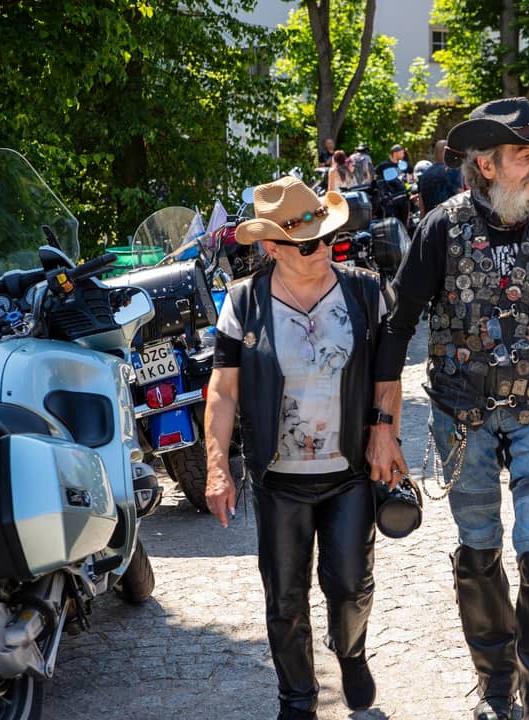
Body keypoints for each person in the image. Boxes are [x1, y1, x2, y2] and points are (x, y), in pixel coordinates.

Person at [367, 96, 529, 720]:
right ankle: (498, 689)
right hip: (461, 415)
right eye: (525, 156)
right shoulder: (441, 227)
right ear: (486, 165)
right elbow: (397, 327)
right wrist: (383, 426)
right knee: (478, 546)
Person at [204, 177, 395, 720]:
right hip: (279, 479)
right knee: (285, 598)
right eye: (309, 243)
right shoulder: (244, 302)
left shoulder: (364, 291)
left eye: (328, 236)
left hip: (348, 471)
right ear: (272, 247)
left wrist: (384, 432)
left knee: (351, 585)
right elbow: (222, 392)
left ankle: (350, 651)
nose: (323, 248)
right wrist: (217, 467)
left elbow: (387, 376)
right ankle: (297, 697)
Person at [418, 139, 464, 214]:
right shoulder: (452, 170)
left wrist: (423, 220)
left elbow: (421, 203)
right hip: (450, 217)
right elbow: (461, 195)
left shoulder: (425, 174)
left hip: (430, 218)